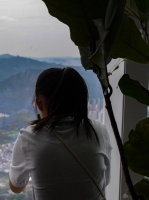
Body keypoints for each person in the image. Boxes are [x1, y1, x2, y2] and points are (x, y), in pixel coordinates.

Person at [9, 67, 112, 200]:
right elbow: (105, 180)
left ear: (39, 103)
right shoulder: (99, 131)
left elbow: (16, 186)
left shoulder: (28, 139)